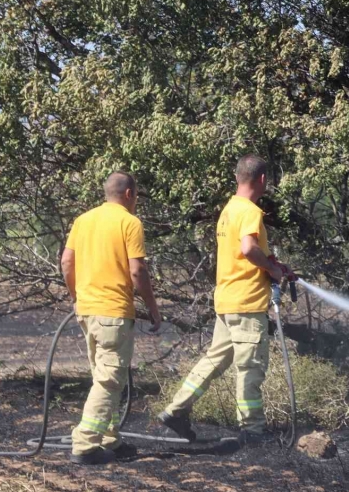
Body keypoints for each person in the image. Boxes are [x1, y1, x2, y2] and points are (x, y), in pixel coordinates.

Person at [158, 154, 291, 446]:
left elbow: (241, 252)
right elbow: (247, 249)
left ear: (237, 177)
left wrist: (274, 264)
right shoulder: (250, 211)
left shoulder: (229, 210)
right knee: (250, 367)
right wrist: (271, 270)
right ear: (263, 180)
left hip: (227, 300)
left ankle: (175, 410)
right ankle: (253, 431)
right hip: (246, 303)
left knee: (214, 360)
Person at [61, 171, 161, 465]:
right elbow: (137, 271)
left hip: (88, 312)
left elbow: (67, 261)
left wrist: (76, 296)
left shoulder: (83, 220)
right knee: (108, 380)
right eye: (137, 195)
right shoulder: (129, 222)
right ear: (130, 194)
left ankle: (109, 439)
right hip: (113, 313)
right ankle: (85, 444)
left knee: (104, 377)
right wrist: (153, 308)